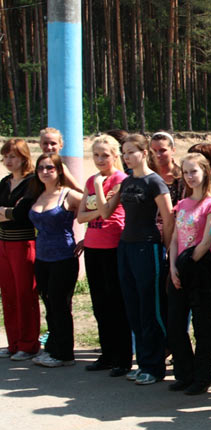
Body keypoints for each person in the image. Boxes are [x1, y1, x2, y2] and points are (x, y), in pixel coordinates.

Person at [101, 134, 174, 385]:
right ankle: (142, 362)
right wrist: (100, 187)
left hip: (148, 247)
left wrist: (167, 251)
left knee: (149, 308)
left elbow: (168, 218)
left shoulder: (155, 182)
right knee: (132, 306)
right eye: (124, 152)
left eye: (131, 151)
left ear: (144, 153)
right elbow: (105, 212)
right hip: (126, 247)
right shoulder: (126, 181)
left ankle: (154, 366)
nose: (126, 156)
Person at [167, 153, 211, 396]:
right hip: (179, 266)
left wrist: (187, 263)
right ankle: (184, 372)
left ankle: (203, 376)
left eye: (194, 171)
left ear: (206, 172)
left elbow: (206, 241)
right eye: (186, 172)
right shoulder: (182, 203)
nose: (190, 177)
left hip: (200, 267)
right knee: (175, 323)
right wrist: (172, 268)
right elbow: (174, 238)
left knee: (203, 326)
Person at [77, 135, 133, 375]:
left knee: (115, 303)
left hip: (113, 245)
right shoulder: (90, 180)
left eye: (105, 155)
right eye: (96, 155)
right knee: (99, 303)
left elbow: (107, 214)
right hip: (92, 246)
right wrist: (98, 209)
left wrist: (100, 191)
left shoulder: (121, 180)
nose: (100, 159)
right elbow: (81, 216)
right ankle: (107, 354)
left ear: (115, 156)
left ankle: (122, 358)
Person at [27, 154, 82, 367]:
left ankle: (65, 354)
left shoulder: (69, 195)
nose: (45, 171)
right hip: (42, 258)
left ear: (59, 170)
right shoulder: (37, 194)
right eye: (40, 168)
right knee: (49, 304)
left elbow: (96, 209)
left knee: (60, 304)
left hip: (64, 257)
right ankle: (52, 347)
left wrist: (88, 238)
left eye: (50, 167)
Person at [0, 139, 40, 361]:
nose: (8, 160)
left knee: (25, 294)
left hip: (24, 243)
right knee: (8, 294)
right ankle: (14, 342)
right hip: (3, 244)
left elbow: (22, 214)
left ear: (24, 157)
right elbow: (12, 213)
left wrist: (7, 213)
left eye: (13, 156)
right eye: (5, 156)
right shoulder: (5, 182)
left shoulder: (31, 182)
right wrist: (9, 212)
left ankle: (28, 343)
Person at [150, 131, 185, 208]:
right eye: (154, 150)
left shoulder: (182, 177)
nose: (158, 155)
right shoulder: (146, 176)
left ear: (173, 150)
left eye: (162, 150)